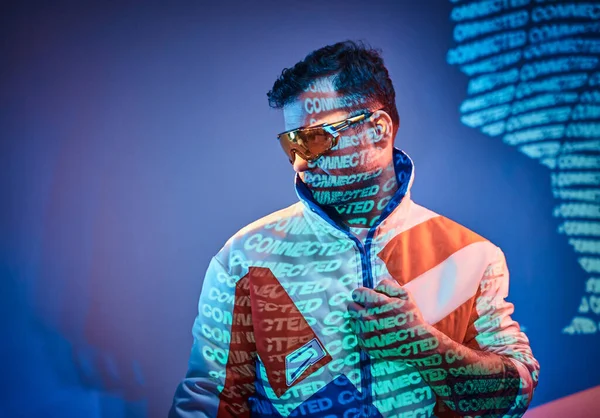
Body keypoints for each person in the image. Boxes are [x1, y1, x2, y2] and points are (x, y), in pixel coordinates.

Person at [169, 40, 539, 418]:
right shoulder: (245, 256)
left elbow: (513, 398)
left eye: (315, 139)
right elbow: (209, 402)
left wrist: (424, 346)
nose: (300, 163)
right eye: (291, 144)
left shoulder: (473, 256)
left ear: (378, 130)